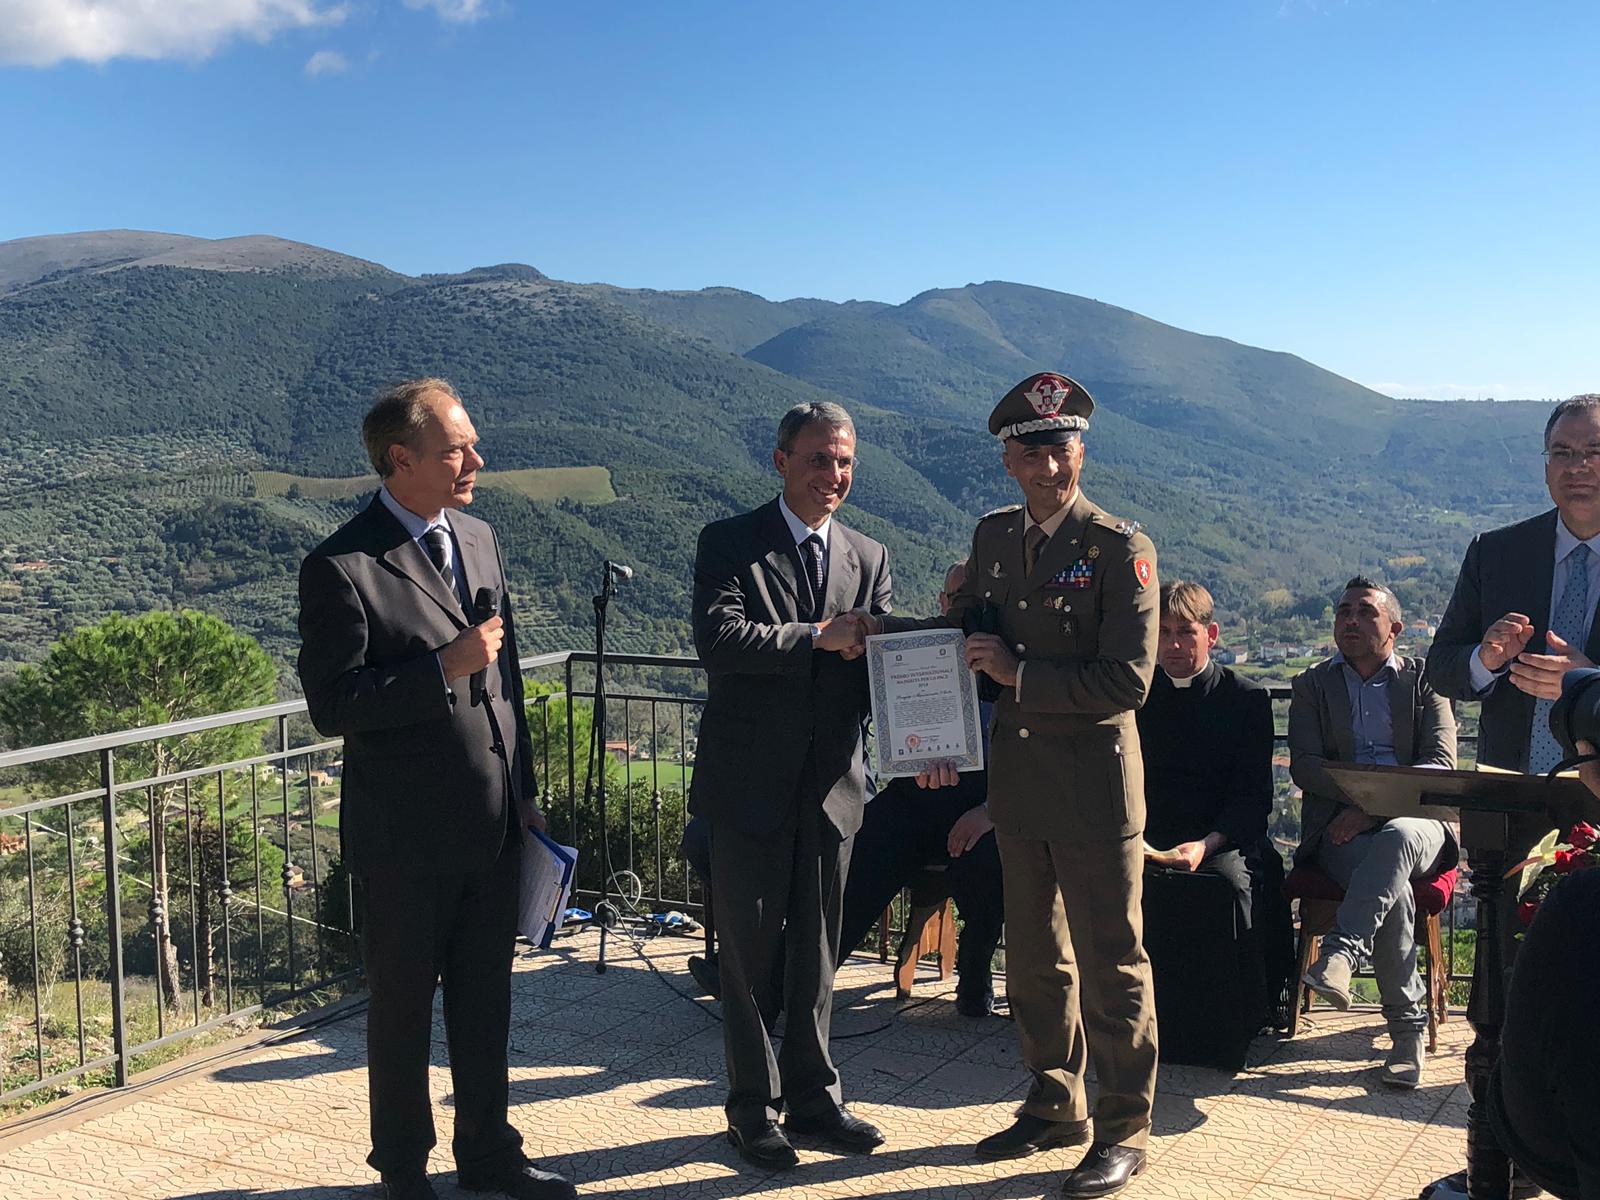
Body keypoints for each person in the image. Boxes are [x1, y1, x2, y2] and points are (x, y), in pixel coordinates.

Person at [865, 371, 1160, 1198]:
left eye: (1061, 448)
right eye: (1032, 451)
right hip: (1022, 785)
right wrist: (891, 650)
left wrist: (1020, 673)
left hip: (1096, 786)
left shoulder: (1119, 550)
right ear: (1008, 460)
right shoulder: (994, 539)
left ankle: (1125, 1126)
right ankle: (1054, 1098)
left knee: (1111, 962)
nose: (1049, 466)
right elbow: (967, 640)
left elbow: (1128, 683)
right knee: (1034, 959)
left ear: (1081, 450)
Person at [296, 379, 573, 1200]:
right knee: (403, 1012)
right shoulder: (342, 565)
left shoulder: (480, 538)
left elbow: (509, 682)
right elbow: (333, 706)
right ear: (400, 460)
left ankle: (490, 1155)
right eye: (457, 449)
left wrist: (524, 794)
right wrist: (441, 668)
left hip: (491, 827)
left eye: (471, 444)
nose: (475, 461)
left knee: (487, 1001)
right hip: (406, 840)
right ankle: (405, 1172)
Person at [688, 400, 891, 1171]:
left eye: (843, 462)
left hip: (834, 788)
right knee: (746, 960)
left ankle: (814, 1097)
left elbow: (881, 672)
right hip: (747, 788)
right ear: (780, 461)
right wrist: (816, 636)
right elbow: (718, 640)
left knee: (819, 956)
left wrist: (925, 737)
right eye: (817, 459)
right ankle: (749, 1108)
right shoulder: (731, 542)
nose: (832, 475)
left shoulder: (869, 557)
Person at [1427, 392, 1600, 976]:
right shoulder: (1495, 552)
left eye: (1596, 451)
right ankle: (1487, 1068)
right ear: (1545, 464)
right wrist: (1485, 657)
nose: (1579, 467)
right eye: (1563, 452)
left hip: (1599, 799)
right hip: (1512, 799)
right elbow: (1442, 666)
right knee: (1504, 976)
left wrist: (1589, 684)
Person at [1290, 576, 1457, 1089]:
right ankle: (1407, 1034)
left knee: (1402, 836)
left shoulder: (1427, 681)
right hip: (1343, 835)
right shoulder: (1312, 685)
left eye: (1365, 612)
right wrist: (1363, 815)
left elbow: (1440, 764)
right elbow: (1306, 767)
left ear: (1395, 628)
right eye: (1343, 612)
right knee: (1396, 887)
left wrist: (1374, 811)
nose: (1351, 622)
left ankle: (1342, 953)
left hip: (1421, 826)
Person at [836, 560, 1004, 1018]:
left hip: (998, 797)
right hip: (927, 787)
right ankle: (788, 979)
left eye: (974, 601)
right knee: (865, 847)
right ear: (942, 604)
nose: (963, 610)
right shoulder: (926, 653)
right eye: (954, 600)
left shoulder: (1008, 657)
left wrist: (993, 808)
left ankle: (975, 973)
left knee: (984, 862)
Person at [1136, 579, 1293, 1036]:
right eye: (1163, 632)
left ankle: (1238, 1019)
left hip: (1221, 837)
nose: (1173, 644)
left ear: (1212, 634)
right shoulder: (1137, 696)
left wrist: (1205, 845)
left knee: (1232, 885)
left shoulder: (1245, 700)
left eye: (1184, 631)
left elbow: (1252, 797)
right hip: (1149, 833)